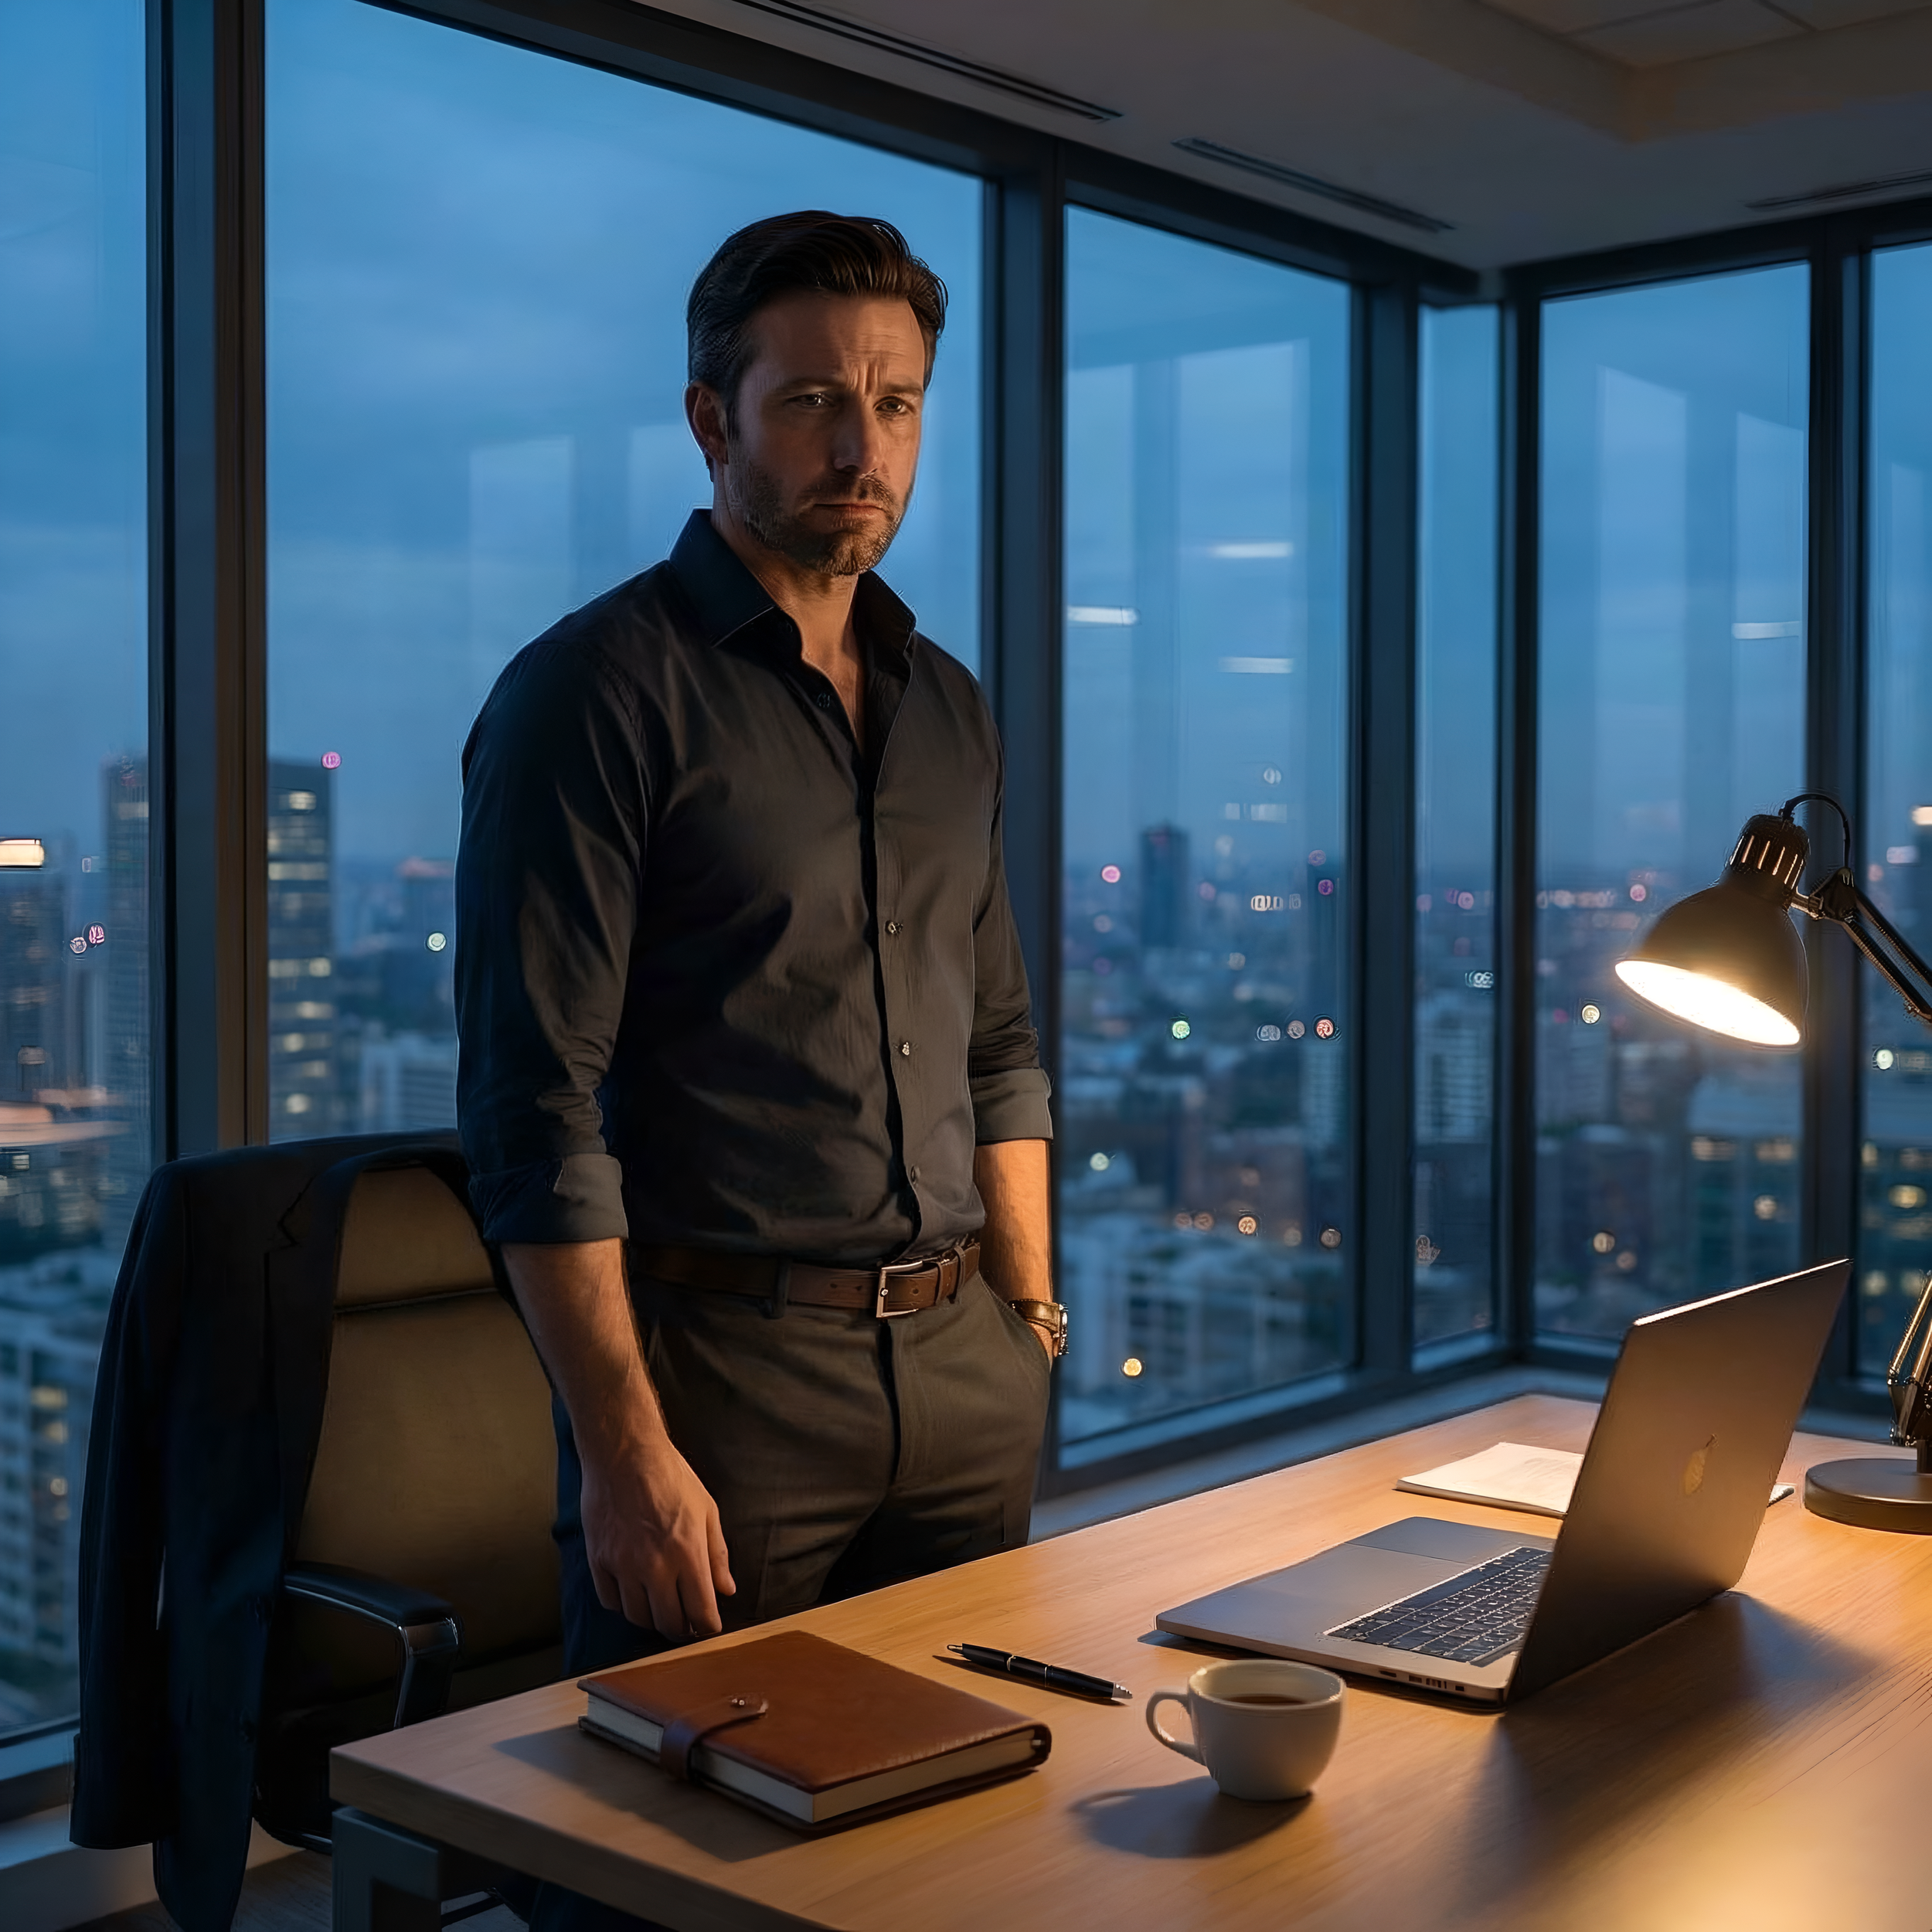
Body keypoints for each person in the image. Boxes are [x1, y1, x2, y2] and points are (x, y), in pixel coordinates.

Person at [455, 212, 1062, 1726]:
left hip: (963, 1375)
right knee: (681, 1854)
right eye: (810, 399)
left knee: (952, 1831)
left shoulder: (950, 710)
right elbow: (538, 1109)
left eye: (897, 400)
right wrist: (623, 1451)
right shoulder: (589, 698)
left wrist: (1027, 1323)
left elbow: (995, 1039)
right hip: (722, 1391)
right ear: (709, 417)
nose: (862, 443)